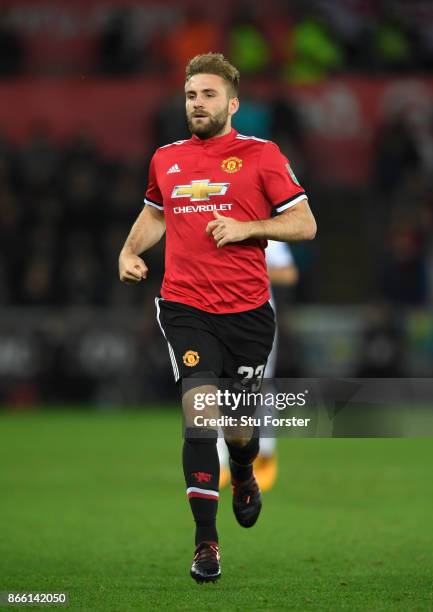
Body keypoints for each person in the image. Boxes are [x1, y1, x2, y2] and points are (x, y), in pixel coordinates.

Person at [118, 52, 316, 583]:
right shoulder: (166, 158)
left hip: (248, 314)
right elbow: (156, 211)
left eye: (207, 95)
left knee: (239, 430)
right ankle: (207, 543)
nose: (197, 104)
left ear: (232, 103)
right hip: (185, 307)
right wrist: (129, 251)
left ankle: (245, 472)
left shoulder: (261, 155)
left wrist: (248, 228)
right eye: (190, 96)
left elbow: (304, 223)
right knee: (199, 415)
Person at [218, 240, 299, 491]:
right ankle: (220, 462)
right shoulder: (209, 221)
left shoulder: (266, 231)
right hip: (217, 314)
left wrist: (244, 268)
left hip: (257, 318)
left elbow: (288, 273)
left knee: (259, 385)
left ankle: (264, 454)